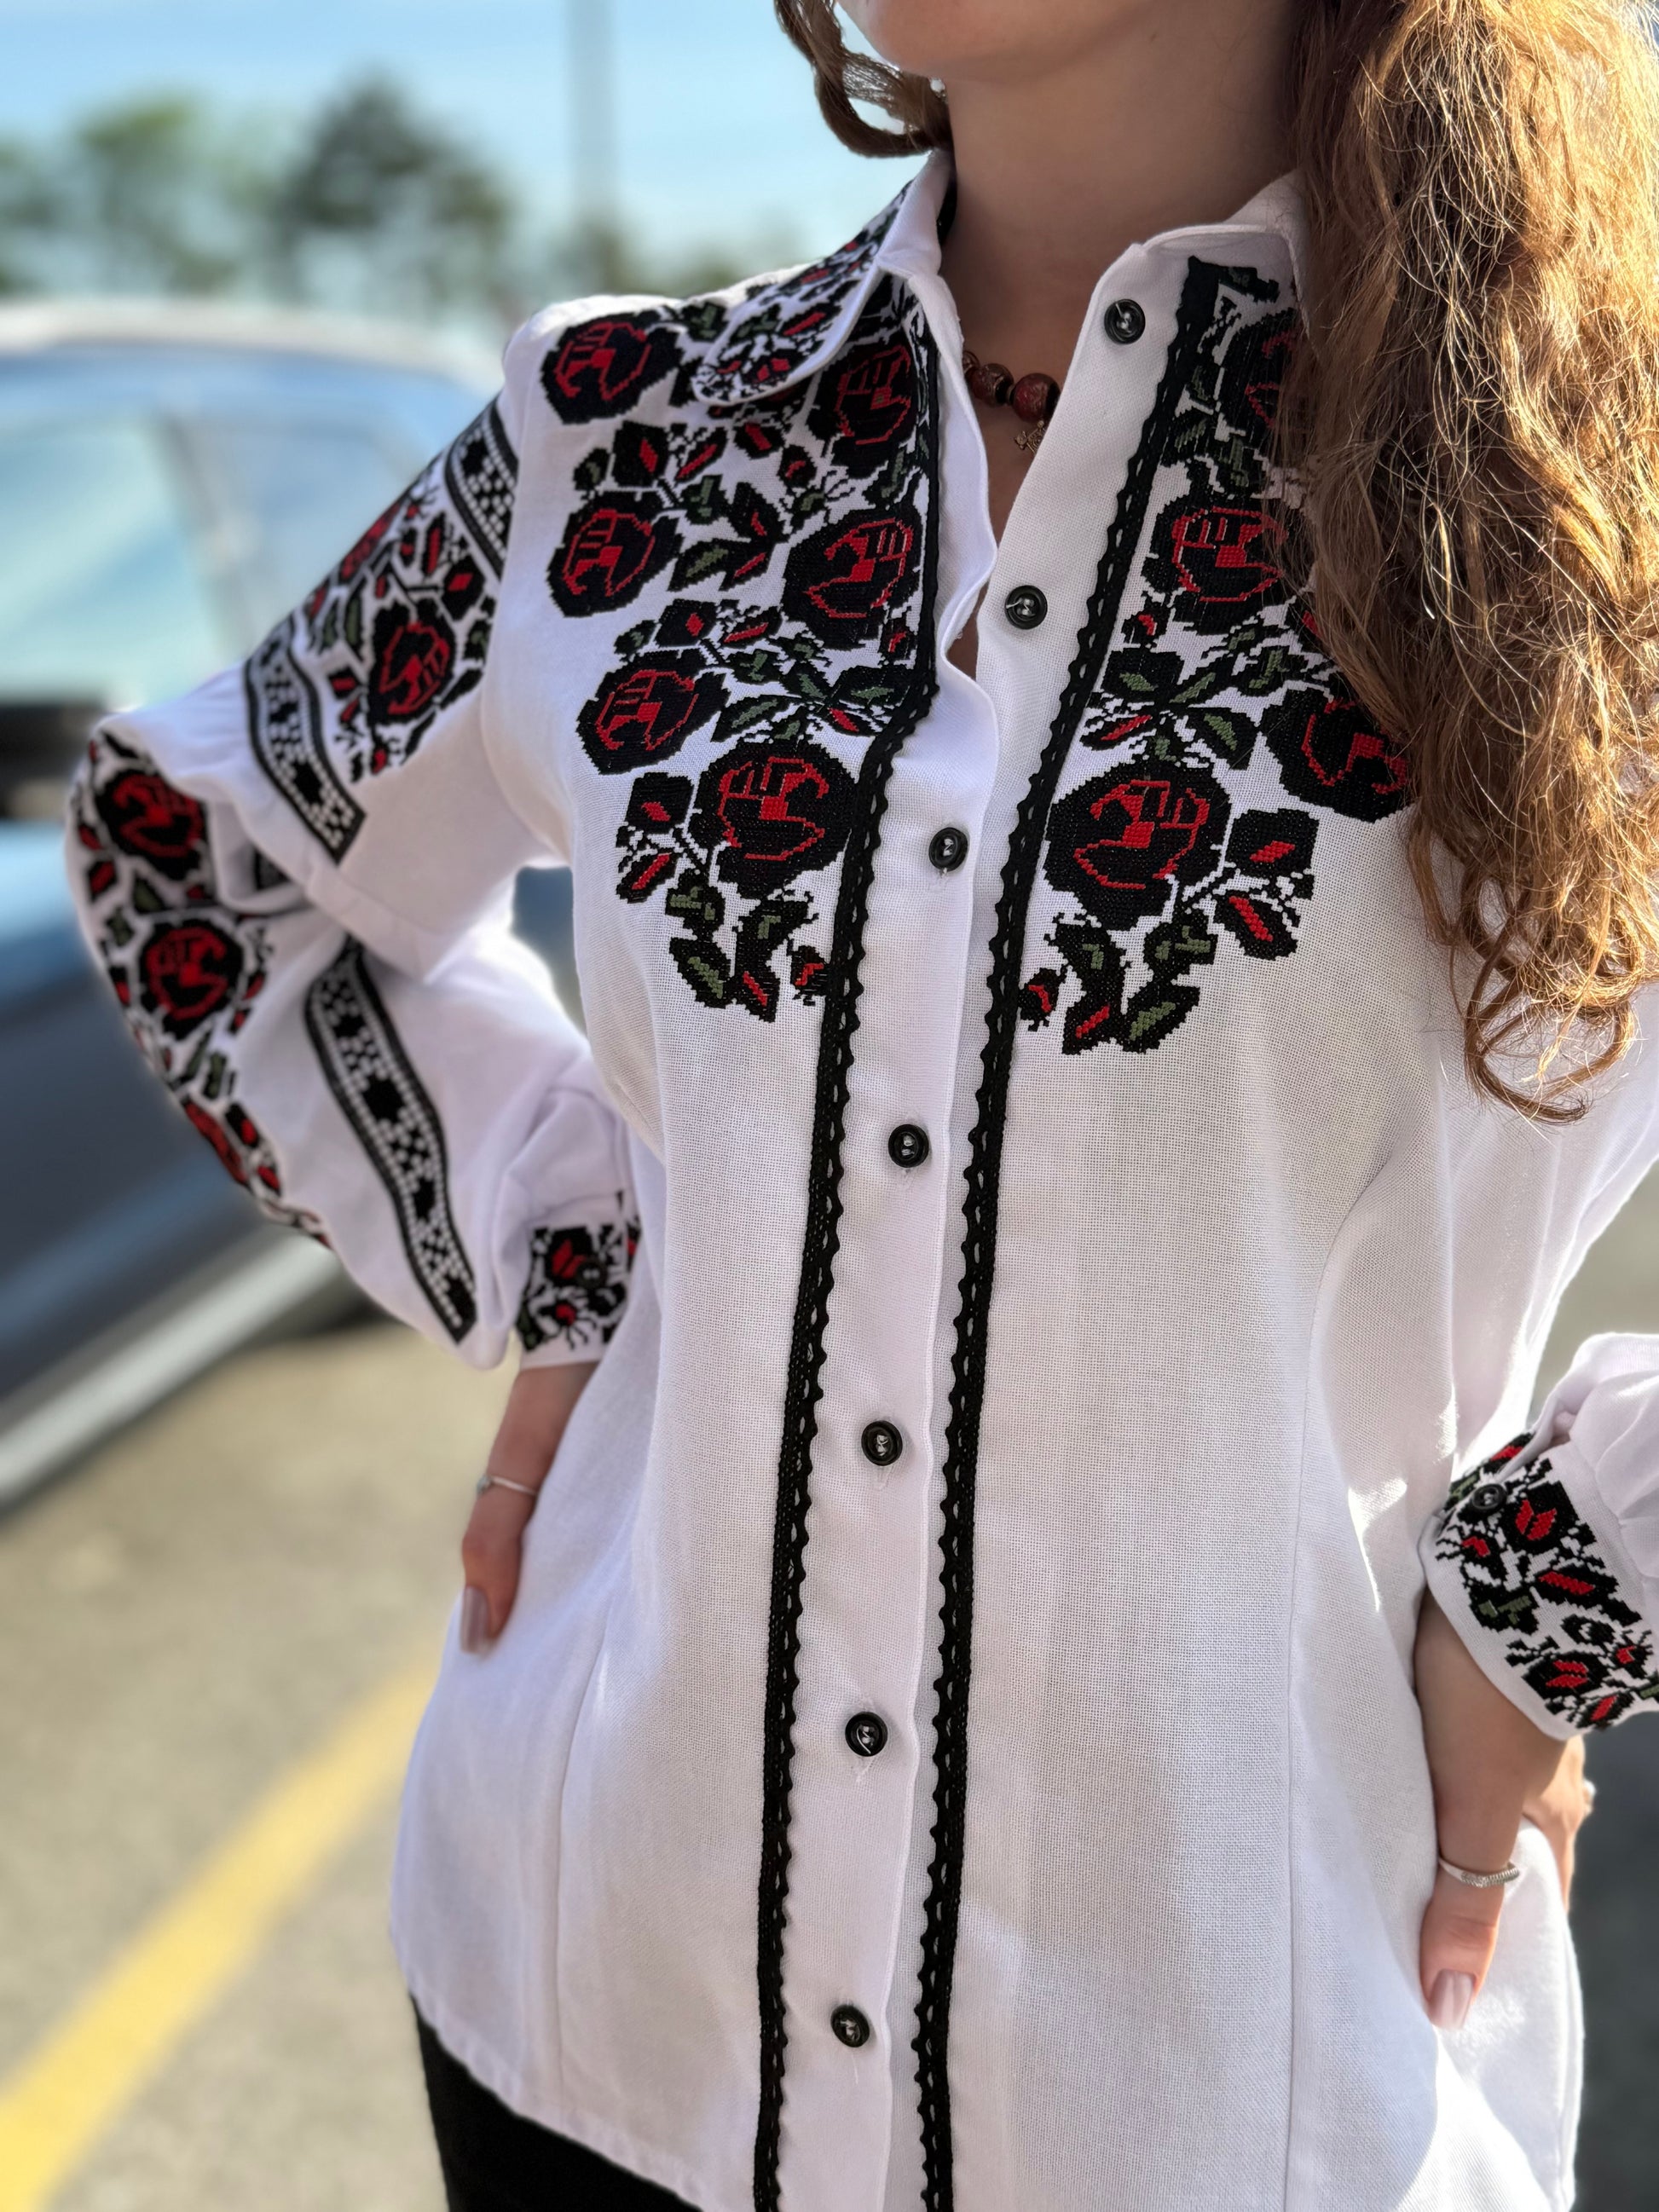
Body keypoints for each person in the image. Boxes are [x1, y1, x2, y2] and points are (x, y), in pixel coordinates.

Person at [64, 0, 1659, 2203]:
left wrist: (1562, 1574)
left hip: (1242, 2086)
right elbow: (204, 858)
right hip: (597, 2035)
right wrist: (574, 1229)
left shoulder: (1603, 486)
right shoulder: (614, 438)